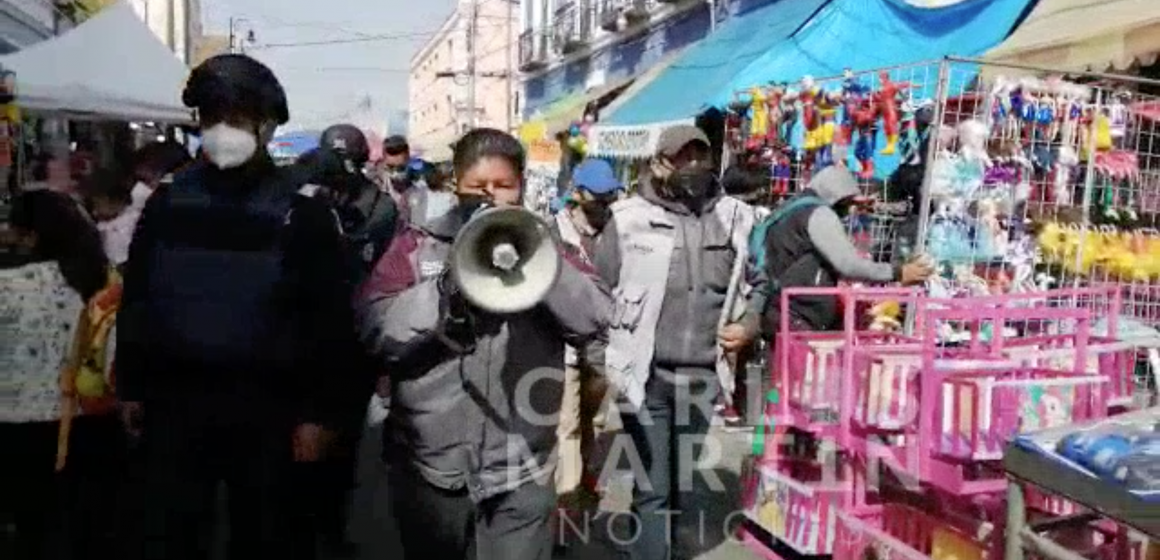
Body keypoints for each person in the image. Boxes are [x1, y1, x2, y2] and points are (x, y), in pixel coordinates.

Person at [114, 54, 352, 560]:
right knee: (168, 534)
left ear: (266, 126)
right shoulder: (168, 201)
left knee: (269, 537)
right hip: (176, 400)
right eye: (211, 117)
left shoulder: (302, 209)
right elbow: (138, 297)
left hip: (269, 407)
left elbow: (329, 319)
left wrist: (321, 413)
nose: (223, 130)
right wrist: (131, 386)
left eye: (237, 118)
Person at [356, 128, 611, 560]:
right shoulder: (416, 248)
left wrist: (542, 265)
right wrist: (441, 290)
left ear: (522, 186)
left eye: (503, 186)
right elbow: (375, 329)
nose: (490, 196)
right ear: (456, 186)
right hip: (432, 465)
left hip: (521, 465)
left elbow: (596, 316)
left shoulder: (551, 247)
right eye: (477, 187)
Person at [593, 124, 769, 560]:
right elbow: (599, 291)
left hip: (703, 375)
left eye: (700, 157)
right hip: (645, 376)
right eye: (682, 157)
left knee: (683, 483)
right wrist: (602, 362)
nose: (692, 166)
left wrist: (749, 323)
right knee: (652, 485)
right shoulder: (627, 218)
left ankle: (665, 549)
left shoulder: (737, 217)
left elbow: (762, 282)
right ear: (659, 163)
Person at [292, 123, 398, 556]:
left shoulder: (380, 208)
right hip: (299, 341)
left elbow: (388, 281)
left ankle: (331, 531)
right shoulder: (297, 201)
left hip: (354, 342)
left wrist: (385, 360)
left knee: (343, 448)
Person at [1, 189, 122, 560]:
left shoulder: (7, 287)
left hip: (15, 430)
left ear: (29, 235)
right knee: (86, 531)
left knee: (30, 530)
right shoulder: (103, 284)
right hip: (90, 422)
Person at [757, 165, 934, 334]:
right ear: (837, 197)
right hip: (796, 313)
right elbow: (848, 265)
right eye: (848, 203)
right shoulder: (818, 213)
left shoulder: (792, 208)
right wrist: (898, 272)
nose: (849, 211)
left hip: (778, 308)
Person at [551, 158, 620, 512]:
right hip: (565, 346)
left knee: (593, 419)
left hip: (605, 346)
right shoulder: (552, 231)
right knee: (567, 425)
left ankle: (587, 478)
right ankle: (567, 503)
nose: (604, 204)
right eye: (598, 196)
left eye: (610, 197)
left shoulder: (616, 230)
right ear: (576, 193)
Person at [378, 135, 433, 226]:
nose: (395, 173)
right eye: (391, 167)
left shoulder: (422, 178)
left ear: (408, 159)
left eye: (400, 168)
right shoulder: (377, 183)